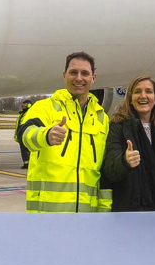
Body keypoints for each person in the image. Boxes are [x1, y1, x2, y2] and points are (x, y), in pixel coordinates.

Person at [17, 52, 112, 213]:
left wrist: (104, 212)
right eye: (73, 72)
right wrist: (45, 135)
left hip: (87, 217)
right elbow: (24, 135)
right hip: (48, 215)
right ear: (64, 75)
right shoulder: (45, 107)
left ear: (93, 77)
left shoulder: (102, 118)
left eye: (85, 73)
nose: (79, 78)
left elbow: (103, 172)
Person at [101, 76, 155, 211]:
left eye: (149, 91)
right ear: (130, 99)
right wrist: (124, 162)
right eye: (137, 91)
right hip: (131, 208)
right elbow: (110, 170)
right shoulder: (117, 127)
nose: (143, 96)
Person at [14, 100, 33, 168]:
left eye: (25, 104)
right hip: (21, 133)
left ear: (29, 105)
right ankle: (26, 163)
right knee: (23, 149)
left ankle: (28, 163)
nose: (23, 105)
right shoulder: (22, 114)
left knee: (27, 149)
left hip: (26, 133)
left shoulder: (30, 112)